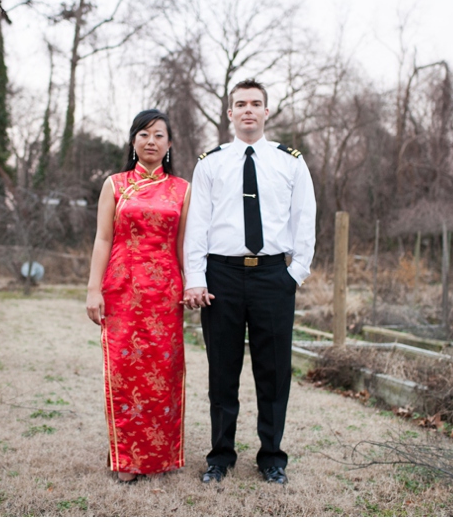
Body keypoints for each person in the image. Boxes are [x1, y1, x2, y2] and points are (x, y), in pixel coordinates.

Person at [183, 78, 316, 485]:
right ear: (229, 113)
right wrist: (195, 278)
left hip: (273, 276)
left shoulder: (290, 161)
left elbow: (305, 219)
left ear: (266, 111)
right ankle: (220, 457)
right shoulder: (210, 162)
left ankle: (272, 457)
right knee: (222, 372)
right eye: (240, 104)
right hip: (221, 277)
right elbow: (197, 226)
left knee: (273, 373)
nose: (248, 110)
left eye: (255, 104)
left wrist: (294, 275)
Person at [86, 109, 190, 483]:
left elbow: (183, 245)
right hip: (121, 290)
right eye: (144, 134)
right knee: (124, 374)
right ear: (133, 141)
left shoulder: (182, 189)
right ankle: (127, 459)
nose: (151, 141)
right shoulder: (115, 185)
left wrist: (192, 283)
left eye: (159, 135)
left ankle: (159, 457)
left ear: (169, 144)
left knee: (162, 374)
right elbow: (102, 238)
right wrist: (93, 289)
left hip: (165, 295)